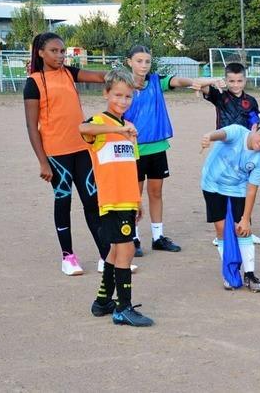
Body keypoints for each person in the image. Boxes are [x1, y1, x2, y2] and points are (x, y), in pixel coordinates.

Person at [24, 32, 110, 276]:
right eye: (54, 51)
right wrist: (43, 162)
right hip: (56, 155)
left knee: (92, 202)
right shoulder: (34, 82)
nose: (60, 56)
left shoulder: (69, 73)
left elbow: (99, 77)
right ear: (40, 52)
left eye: (62, 51)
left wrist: (124, 76)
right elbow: (31, 126)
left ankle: (106, 255)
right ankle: (68, 257)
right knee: (63, 201)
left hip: (82, 149)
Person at [81, 69, 153, 327]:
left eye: (128, 97)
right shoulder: (100, 123)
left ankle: (102, 302)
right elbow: (82, 127)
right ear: (106, 93)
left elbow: (131, 167)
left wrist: (138, 200)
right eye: (118, 95)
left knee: (116, 249)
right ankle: (123, 308)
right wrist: (115, 129)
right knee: (127, 250)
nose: (123, 101)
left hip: (127, 199)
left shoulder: (129, 128)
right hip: (111, 200)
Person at [123, 45, 208, 255]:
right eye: (139, 61)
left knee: (156, 192)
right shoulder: (123, 86)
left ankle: (157, 236)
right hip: (133, 149)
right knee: (135, 195)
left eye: (147, 61)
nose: (144, 65)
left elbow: (176, 81)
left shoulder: (155, 81)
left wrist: (193, 82)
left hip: (157, 147)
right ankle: (133, 238)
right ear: (129, 62)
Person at [200, 113, 260, 292]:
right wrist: (209, 136)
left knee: (243, 230)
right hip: (213, 185)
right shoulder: (237, 132)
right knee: (222, 229)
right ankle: (229, 272)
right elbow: (222, 134)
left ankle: (250, 274)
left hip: (238, 189)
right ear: (255, 128)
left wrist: (246, 218)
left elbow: (252, 189)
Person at [198, 62, 260, 245]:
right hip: (224, 149)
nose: (235, 85)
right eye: (231, 81)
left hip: (245, 150)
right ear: (226, 80)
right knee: (221, 189)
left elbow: (256, 124)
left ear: (245, 80)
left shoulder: (251, 101)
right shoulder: (220, 96)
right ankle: (221, 232)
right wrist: (214, 81)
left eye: (239, 81)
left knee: (243, 191)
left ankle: (246, 227)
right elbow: (199, 84)